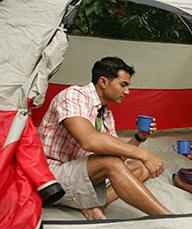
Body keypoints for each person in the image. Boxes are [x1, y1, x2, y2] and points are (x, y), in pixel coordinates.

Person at [38, 56, 172, 220]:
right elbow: (89, 140)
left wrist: (139, 137)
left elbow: (117, 156)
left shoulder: (105, 113)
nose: (127, 92)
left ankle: (94, 206)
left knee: (139, 167)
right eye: (123, 85)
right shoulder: (73, 95)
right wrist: (145, 154)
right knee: (112, 163)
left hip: (83, 175)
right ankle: (167, 217)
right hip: (52, 176)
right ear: (103, 81)